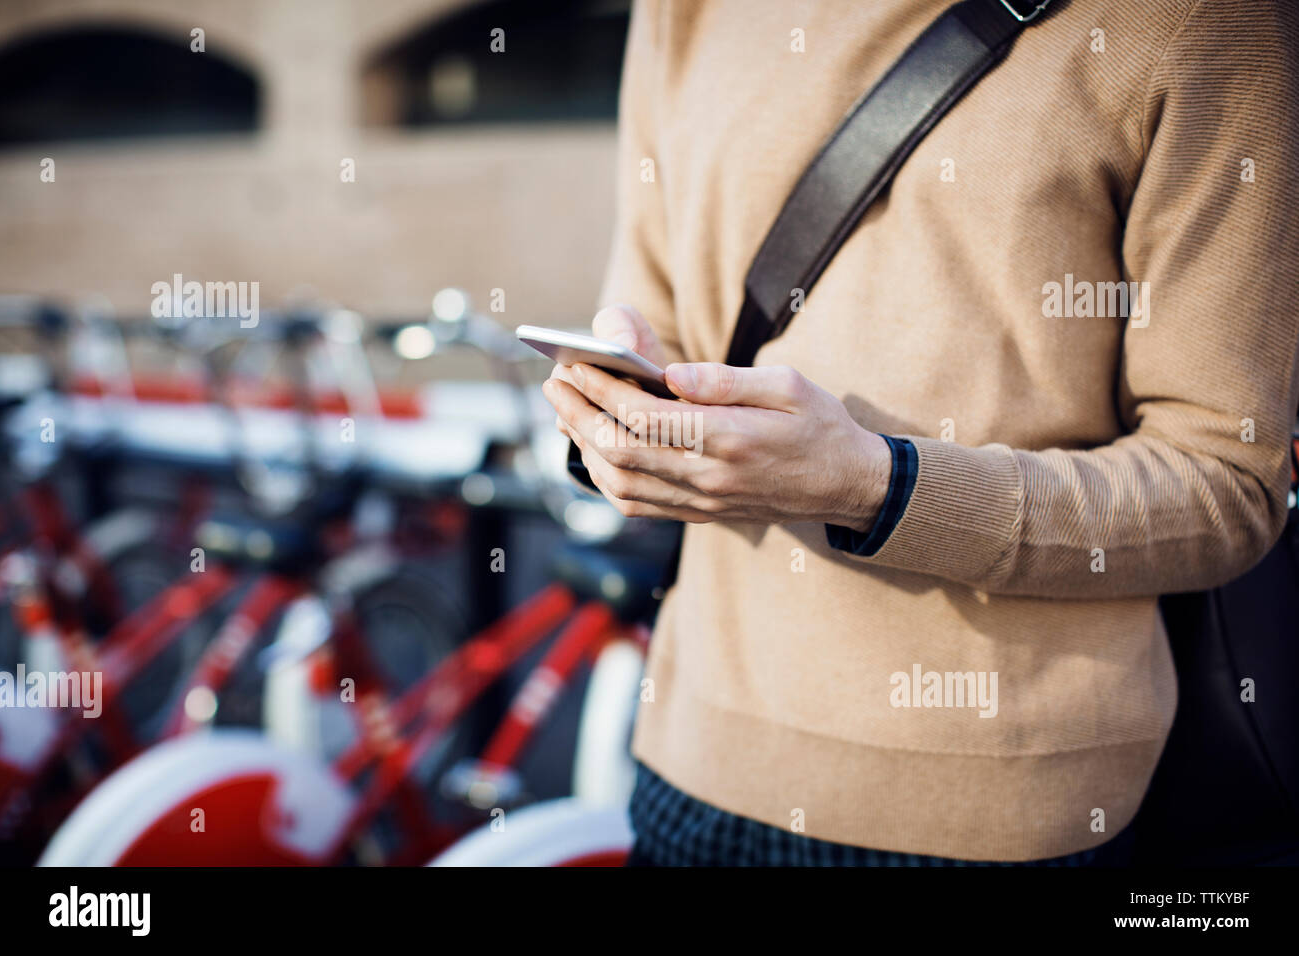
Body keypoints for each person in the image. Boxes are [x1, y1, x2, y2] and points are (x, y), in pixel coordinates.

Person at [543, 0, 1299, 866]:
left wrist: (876, 484)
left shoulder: (1204, 20)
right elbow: (655, 326)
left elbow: (1227, 484)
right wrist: (617, 422)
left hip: (999, 816)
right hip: (690, 765)